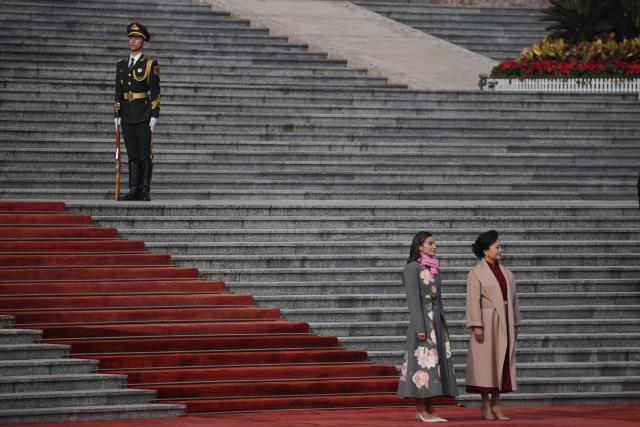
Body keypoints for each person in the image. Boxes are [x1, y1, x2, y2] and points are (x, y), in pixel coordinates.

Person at [397, 231, 458, 423]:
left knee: (436, 366)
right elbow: (413, 301)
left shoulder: (433, 267)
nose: (434, 246)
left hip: (437, 322)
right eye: (430, 243)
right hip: (423, 322)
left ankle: (431, 408)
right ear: (420, 246)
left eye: (434, 243)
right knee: (423, 364)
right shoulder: (412, 268)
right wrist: (420, 327)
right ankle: (421, 409)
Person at [465, 230, 521, 421]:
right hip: (487, 322)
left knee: (502, 362)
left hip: (505, 321)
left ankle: (497, 403)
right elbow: (473, 301)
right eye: (497, 246)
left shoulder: (507, 273)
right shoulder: (476, 273)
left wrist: (516, 322)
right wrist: (476, 325)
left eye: (500, 246)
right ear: (485, 250)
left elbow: (514, 300)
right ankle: (485, 403)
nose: (500, 250)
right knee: (486, 364)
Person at [114, 22, 160, 201]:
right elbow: (118, 91)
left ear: (143, 41)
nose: (133, 41)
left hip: (143, 113)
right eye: (131, 38)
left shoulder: (149, 64)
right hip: (126, 113)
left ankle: (144, 190)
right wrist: (117, 113)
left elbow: (155, 91)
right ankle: (133, 189)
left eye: (137, 38)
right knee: (132, 154)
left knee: (144, 154)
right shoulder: (121, 65)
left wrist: (155, 114)